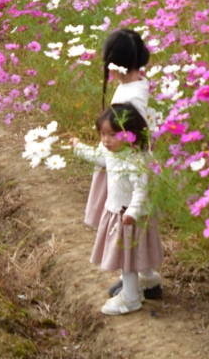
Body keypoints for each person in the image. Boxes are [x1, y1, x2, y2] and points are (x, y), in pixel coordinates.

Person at [84, 29, 163, 301]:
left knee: (125, 224)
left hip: (124, 169)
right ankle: (147, 279)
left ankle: (131, 281)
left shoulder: (130, 97)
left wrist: (102, 151)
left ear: (117, 64)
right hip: (122, 162)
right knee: (134, 226)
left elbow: (130, 133)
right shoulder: (136, 84)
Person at [71, 103, 164, 316]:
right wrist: (78, 147)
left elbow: (141, 191)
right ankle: (148, 280)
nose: (105, 140)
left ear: (130, 134)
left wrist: (132, 212)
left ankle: (131, 297)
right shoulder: (113, 152)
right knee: (135, 255)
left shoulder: (136, 160)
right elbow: (100, 158)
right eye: (103, 134)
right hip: (120, 212)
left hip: (129, 216)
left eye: (112, 134)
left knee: (127, 259)